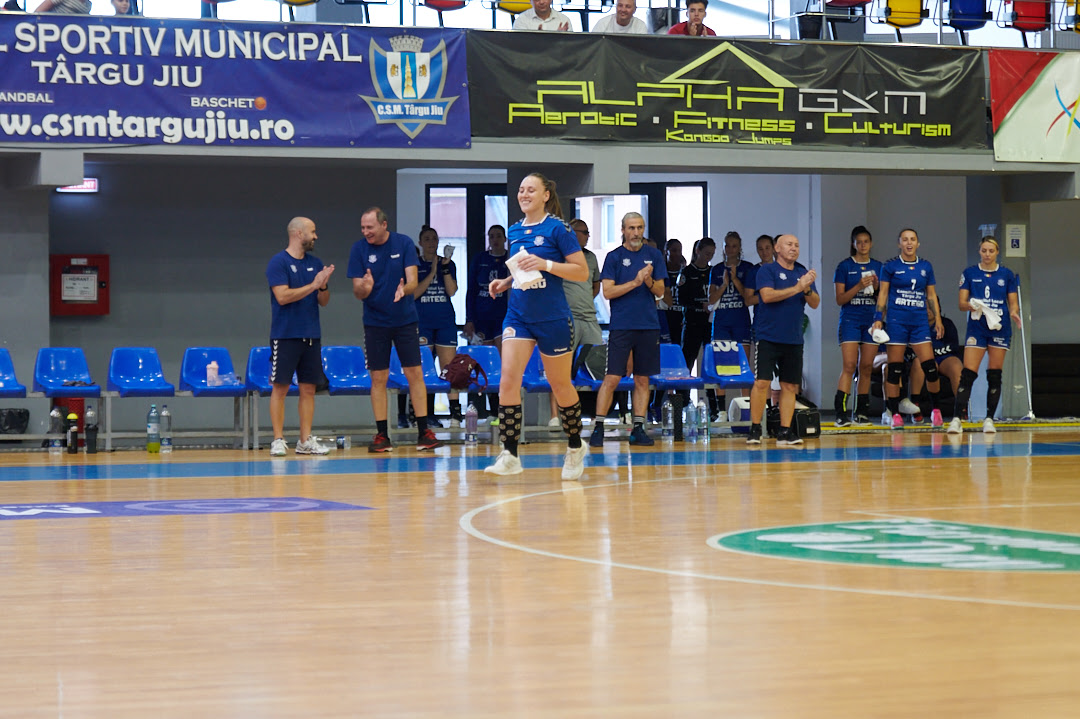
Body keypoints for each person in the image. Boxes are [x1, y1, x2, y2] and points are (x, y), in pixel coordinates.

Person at [484, 173, 590, 479]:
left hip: (553, 318)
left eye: (531, 189)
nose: (524, 194)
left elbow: (581, 272)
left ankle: (575, 446)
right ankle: (510, 454)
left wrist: (546, 264)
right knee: (508, 379)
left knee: (560, 384)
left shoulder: (558, 229)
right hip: (518, 316)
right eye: (521, 190)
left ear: (545, 195)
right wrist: (506, 282)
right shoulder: (515, 230)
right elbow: (523, 268)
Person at [348, 207, 444, 453]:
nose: (365, 232)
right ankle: (382, 435)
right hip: (375, 323)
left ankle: (424, 432)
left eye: (370, 227)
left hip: (405, 321)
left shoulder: (403, 243)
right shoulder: (359, 249)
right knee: (378, 378)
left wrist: (405, 289)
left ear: (384, 225)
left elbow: (412, 281)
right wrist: (365, 288)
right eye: (363, 228)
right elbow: (357, 291)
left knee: (415, 373)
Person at [589, 213, 666, 448]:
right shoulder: (614, 257)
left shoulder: (654, 255)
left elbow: (661, 291)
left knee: (642, 379)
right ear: (622, 230)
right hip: (621, 326)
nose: (636, 232)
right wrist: (635, 281)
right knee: (612, 377)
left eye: (640, 228)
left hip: (648, 325)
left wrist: (648, 281)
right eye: (631, 228)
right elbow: (608, 292)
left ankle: (638, 428)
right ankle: (598, 427)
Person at [265, 217, 334, 457]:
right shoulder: (278, 262)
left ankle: (305, 440)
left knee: (308, 390)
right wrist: (313, 285)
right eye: (312, 232)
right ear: (298, 233)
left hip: (311, 335)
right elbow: (282, 297)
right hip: (285, 335)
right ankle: (278, 439)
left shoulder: (316, 263)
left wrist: (322, 286)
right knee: (280, 388)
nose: (315, 236)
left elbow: (324, 301)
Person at [747, 234, 819, 445]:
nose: (794, 248)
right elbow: (767, 296)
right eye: (789, 244)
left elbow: (815, 303)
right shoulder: (767, 271)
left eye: (797, 245)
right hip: (768, 336)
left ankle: (785, 431)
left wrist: (806, 288)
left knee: (789, 386)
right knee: (762, 382)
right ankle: (755, 428)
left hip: (793, 339)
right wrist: (797, 288)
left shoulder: (801, 272)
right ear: (777, 248)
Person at [871, 228, 945, 430]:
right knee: (895, 369)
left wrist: (938, 319)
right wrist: (878, 319)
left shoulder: (925, 266)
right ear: (899, 244)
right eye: (905, 239)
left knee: (930, 367)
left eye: (912, 239)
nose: (909, 243)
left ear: (918, 243)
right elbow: (883, 294)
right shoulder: (890, 266)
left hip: (919, 322)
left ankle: (936, 411)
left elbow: (931, 295)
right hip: (897, 321)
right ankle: (895, 413)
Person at [948, 236, 1021, 435]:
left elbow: (1013, 303)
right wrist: (972, 305)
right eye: (984, 250)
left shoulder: (1006, 274)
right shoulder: (970, 273)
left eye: (991, 251)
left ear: (997, 252)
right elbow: (961, 304)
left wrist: (1014, 312)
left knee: (994, 373)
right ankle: (956, 419)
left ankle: (989, 419)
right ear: (979, 251)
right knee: (968, 373)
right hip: (977, 327)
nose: (987, 254)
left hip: (999, 327)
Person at [548, 218, 601, 427]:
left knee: (598, 365)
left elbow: (596, 285)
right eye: (584, 232)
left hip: (589, 318)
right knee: (560, 368)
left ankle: (596, 416)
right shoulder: (558, 255)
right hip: (565, 319)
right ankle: (555, 416)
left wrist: (585, 299)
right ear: (572, 232)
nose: (587, 236)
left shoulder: (591, 257)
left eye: (588, 233)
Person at [832, 225, 883, 426]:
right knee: (849, 365)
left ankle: (862, 412)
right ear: (853, 244)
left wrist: (877, 288)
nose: (863, 245)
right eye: (859, 242)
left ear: (871, 244)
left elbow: (883, 299)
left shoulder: (878, 266)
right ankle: (841, 412)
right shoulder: (844, 266)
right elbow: (840, 299)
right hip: (850, 320)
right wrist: (859, 286)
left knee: (867, 366)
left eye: (866, 242)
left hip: (870, 321)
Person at [414, 225, 461, 428]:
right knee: (425, 371)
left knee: (449, 369)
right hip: (423, 322)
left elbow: (452, 291)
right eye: (427, 239)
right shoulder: (414, 265)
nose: (431, 243)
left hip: (445, 321)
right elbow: (413, 294)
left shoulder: (447, 263)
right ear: (420, 243)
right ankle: (426, 416)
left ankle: (455, 414)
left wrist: (443, 268)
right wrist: (432, 272)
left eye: (434, 239)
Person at [464, 224, 509, 420]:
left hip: (503, 317)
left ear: (505, 239)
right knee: (486, 365)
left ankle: (505, 407)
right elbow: (471, 291)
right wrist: (469, 319)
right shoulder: (480, 259)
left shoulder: (509, 259)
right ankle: (492, 410)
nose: (495, 239)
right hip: (482, 318)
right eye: (491, 236)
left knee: (503, 363)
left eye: (498, 236)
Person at [709, 231, 754, 419]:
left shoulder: (748, 268)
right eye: (727, 245)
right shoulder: (716, 269)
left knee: (743, 366)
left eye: (734, 246)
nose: (730, 249)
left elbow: (748, 298)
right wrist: (724, 284)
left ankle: (746, 408)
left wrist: (735, 279)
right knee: (721, 366)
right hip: (721, 323)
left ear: (740, 248)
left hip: (740, 322)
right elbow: (711, 299)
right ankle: (721, 411)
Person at [909, 298, 963, 421]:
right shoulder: (915, 326)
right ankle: (915, 408)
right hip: (924, 360)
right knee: (921, 363)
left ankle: (961, 409)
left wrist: (933, 353)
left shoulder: (947, 324)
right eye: (925, 307)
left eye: (931, 307)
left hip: (944, 358)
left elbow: (953, 348)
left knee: (956, 366)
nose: (928, 311)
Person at [675, 237, 715, 382]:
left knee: (710, 362)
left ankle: (712, 396)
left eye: (712, 254)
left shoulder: (713, 272)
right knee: (687, 361)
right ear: (698, 251)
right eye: (706, 253)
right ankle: (683, 395)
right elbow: (681, 299)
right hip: (692, 323)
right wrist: (700, 305)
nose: (709, 257)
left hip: (709, 324)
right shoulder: (686, 272)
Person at [661, 239, 687, 347]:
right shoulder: (661, 273)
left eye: (679, 251)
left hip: (681, 317)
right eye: (674, 250)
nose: (677, 254)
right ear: (666, 251)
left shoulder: (685, 272)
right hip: (665, 316)